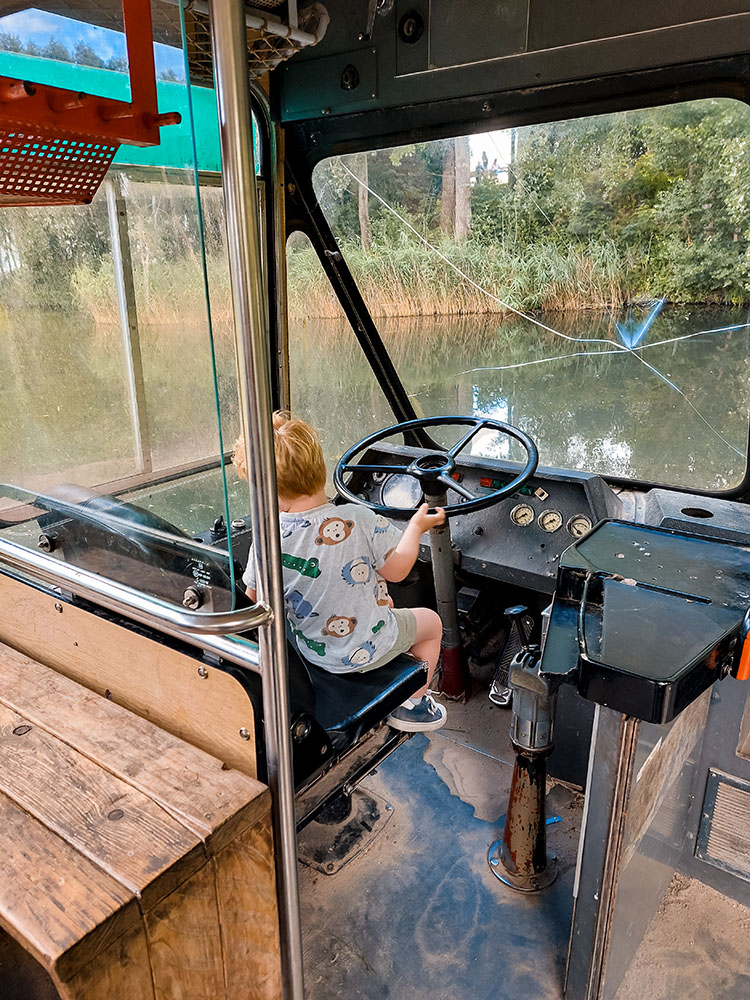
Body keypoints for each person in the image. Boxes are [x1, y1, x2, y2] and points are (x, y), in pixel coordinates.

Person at [233, 412, 448, 732]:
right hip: (370, 646)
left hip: (314, 653)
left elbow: (252, 601)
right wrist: (416, 527)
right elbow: (398, 571)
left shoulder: (267, 537)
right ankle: (412, 706)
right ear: (321, 469)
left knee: (383, 603)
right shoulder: (359, 519)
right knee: (431, 624)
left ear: (270, 494)